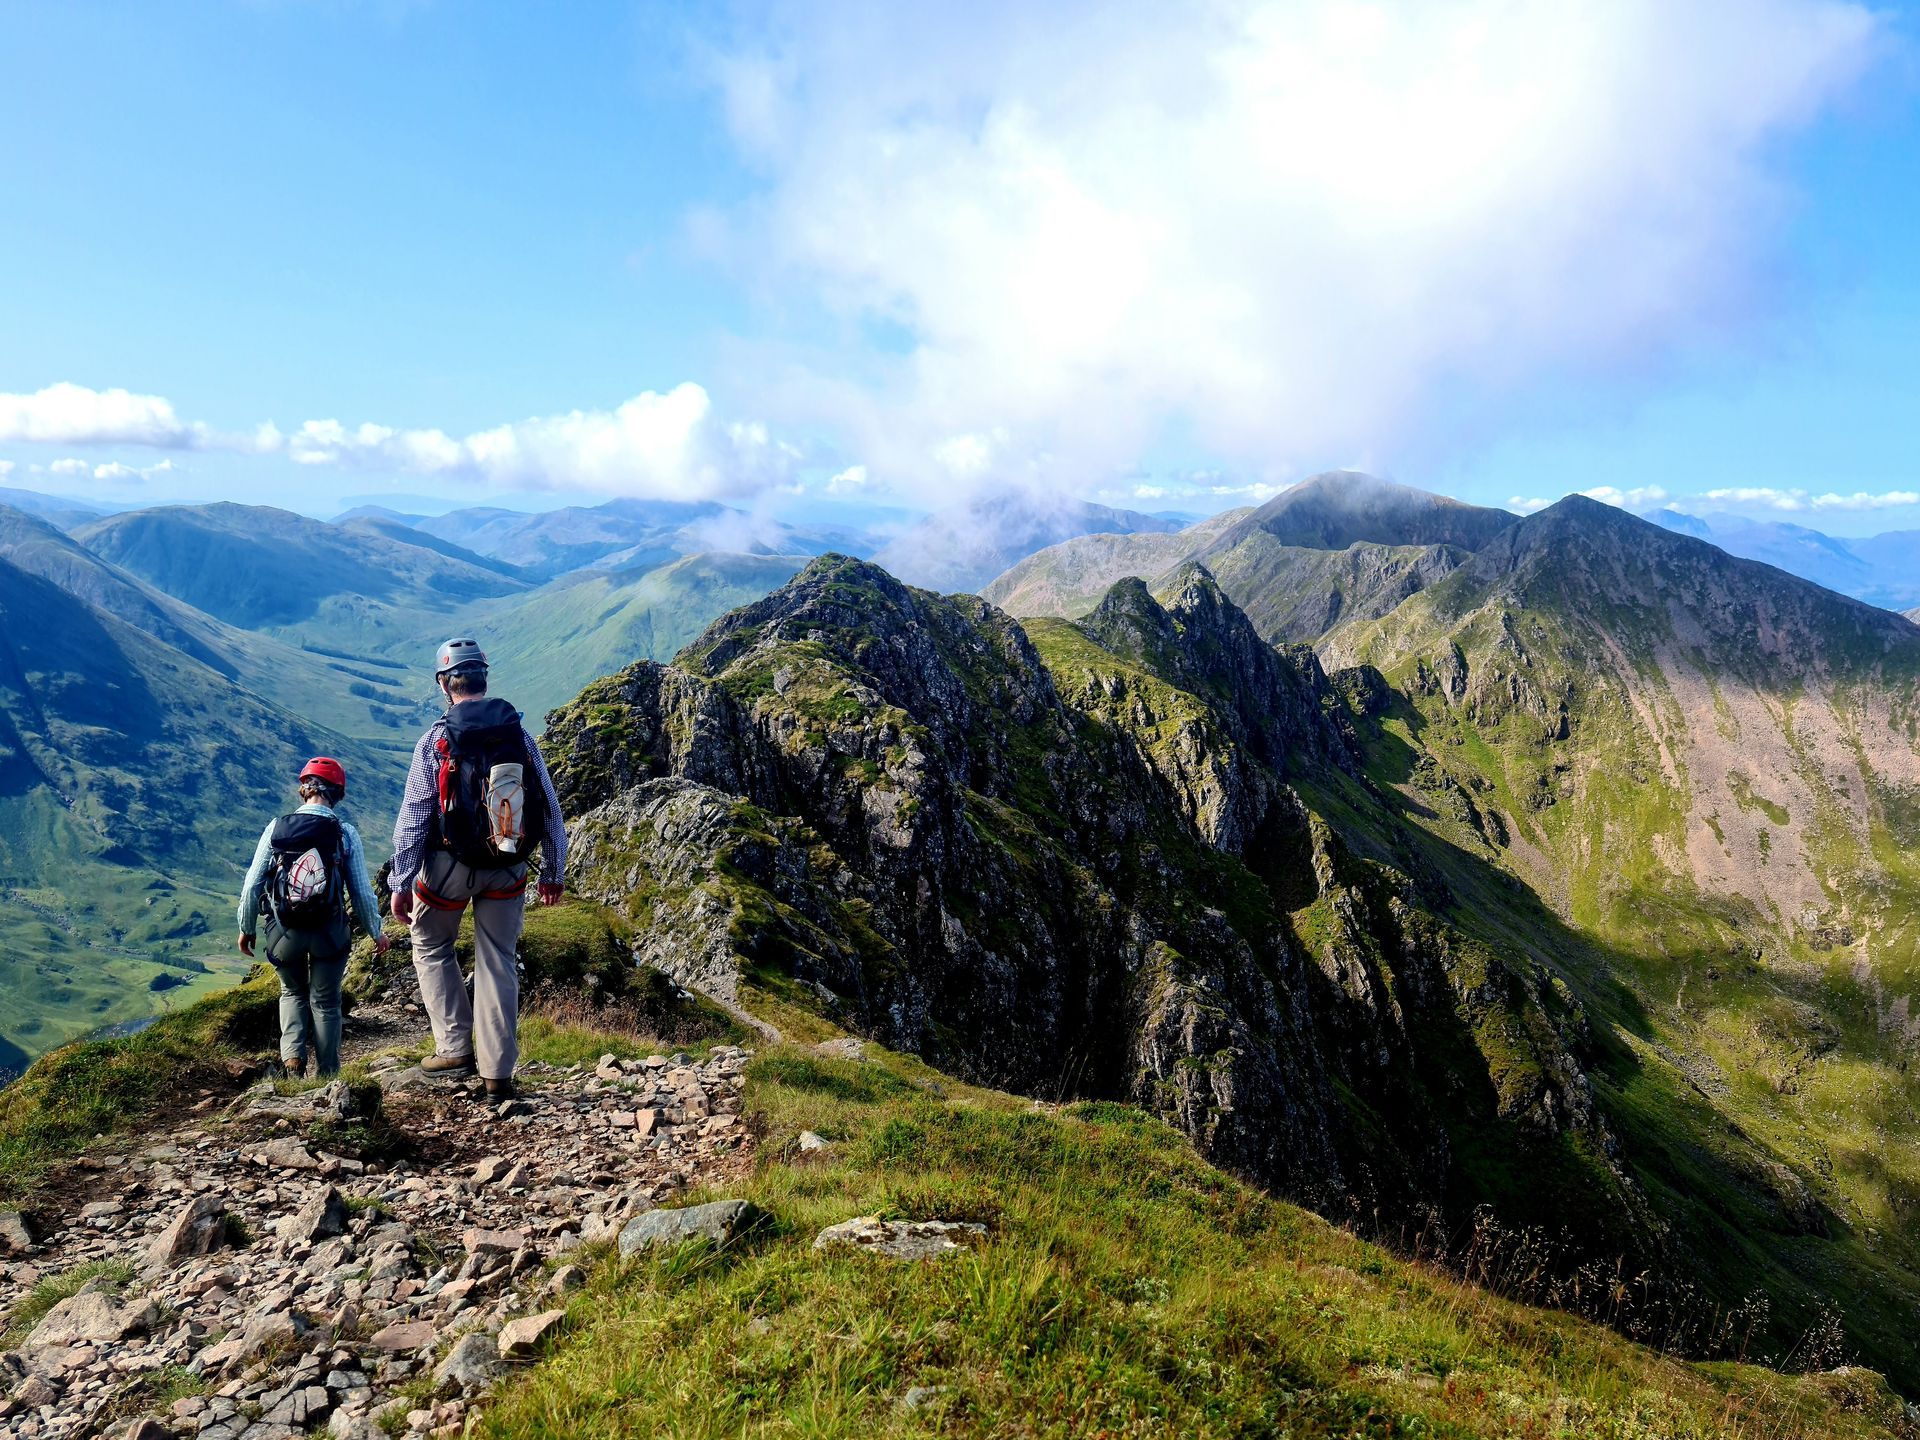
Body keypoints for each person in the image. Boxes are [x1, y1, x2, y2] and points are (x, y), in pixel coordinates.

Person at [390, 637, 567, 1099]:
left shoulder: (436, 739)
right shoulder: (519, 734)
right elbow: (548, 806)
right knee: (498, 960)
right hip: (508, 863)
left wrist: (400, 881)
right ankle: (498, 1076)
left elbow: (415, 814)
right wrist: (553, 871)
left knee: (430, 942)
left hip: (449, 866)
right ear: (484, 680)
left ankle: (453, 1048)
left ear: (444, 685)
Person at [238, 756, 388, 1079]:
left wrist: (246, 927)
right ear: (338, 794)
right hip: (328, 934)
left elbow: (252, 884)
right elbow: (361, 893)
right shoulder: (345, 834)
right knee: (326, 1001)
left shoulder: (276, 828)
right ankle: (329, 1076)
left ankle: (292, 1061)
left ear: (303, 790)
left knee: (291, 992)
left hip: (284, 933)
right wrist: (377, 932)